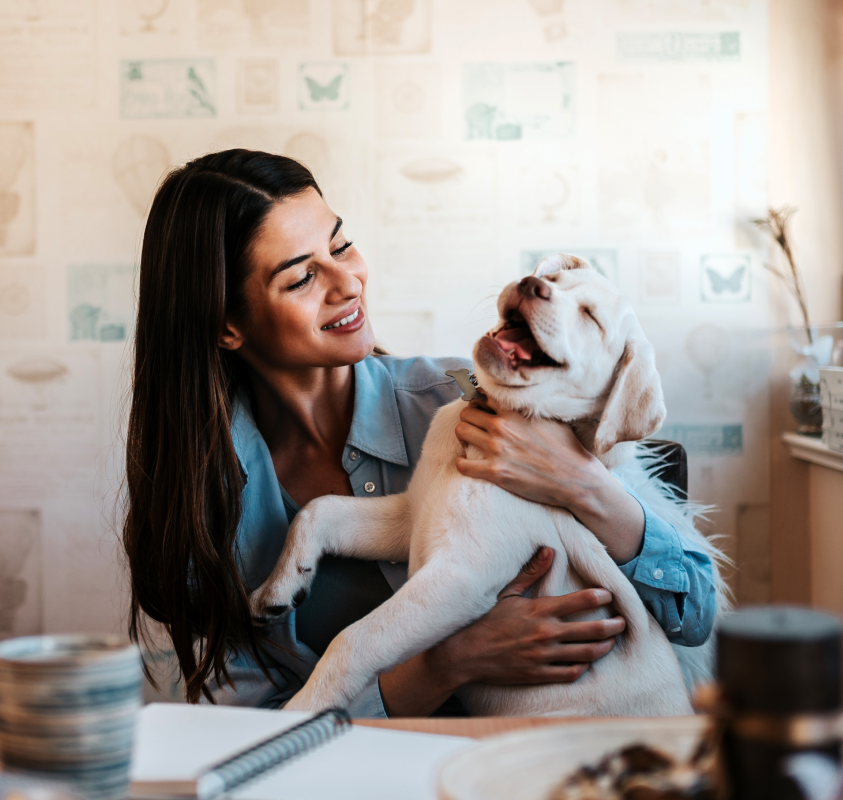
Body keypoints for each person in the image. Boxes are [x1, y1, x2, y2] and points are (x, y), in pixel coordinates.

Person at [121, 150, 719, 718]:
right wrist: (449, 663)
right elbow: (253, 726)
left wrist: (583, 482)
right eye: (302, 277)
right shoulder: (207, 501)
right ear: (227, 325)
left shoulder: (483, 398)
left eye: (342, 246)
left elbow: (695, 612)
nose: (347, 283)